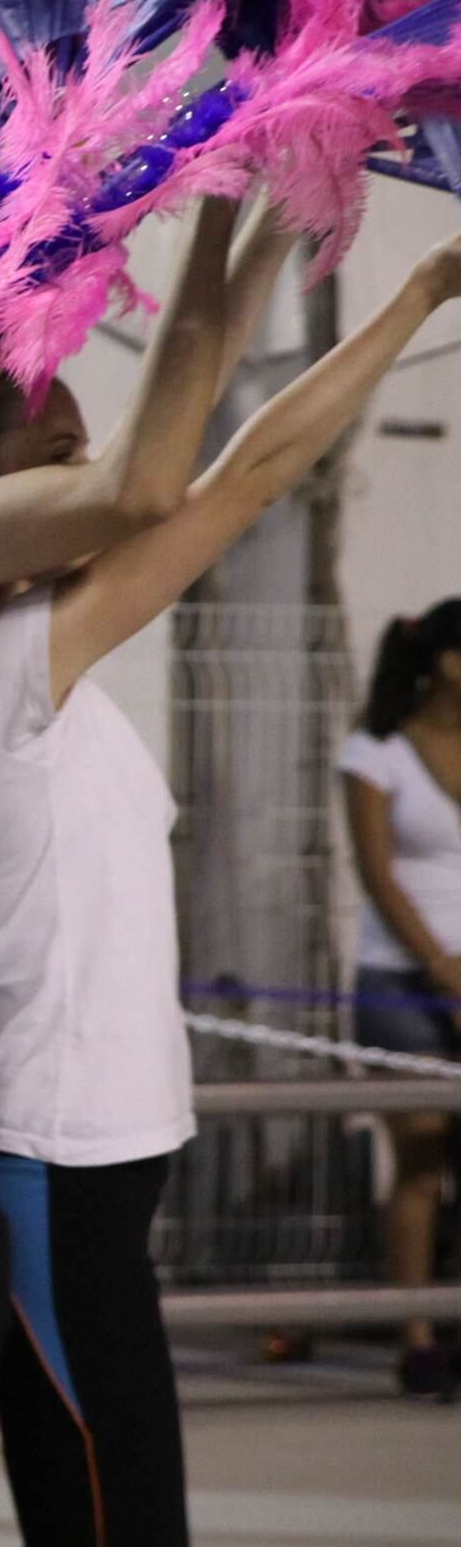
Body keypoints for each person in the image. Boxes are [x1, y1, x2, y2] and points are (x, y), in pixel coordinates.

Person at [0, 192, 318, 1544]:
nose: (93, 459)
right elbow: (212, 476)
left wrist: (291, 230)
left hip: (114, 1144)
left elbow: (223, 467)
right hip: (39, 1140)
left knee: (114, 1496)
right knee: (105, 1507)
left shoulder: (61, 658)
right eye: (57, 444)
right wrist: (230, 215)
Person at [343, 588, 461, 1396]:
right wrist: (441, 966)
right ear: (448, 664)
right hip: (402, 980)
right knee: (420, 1159)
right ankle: (415, 1337)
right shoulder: (375, 748)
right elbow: (377, 872)